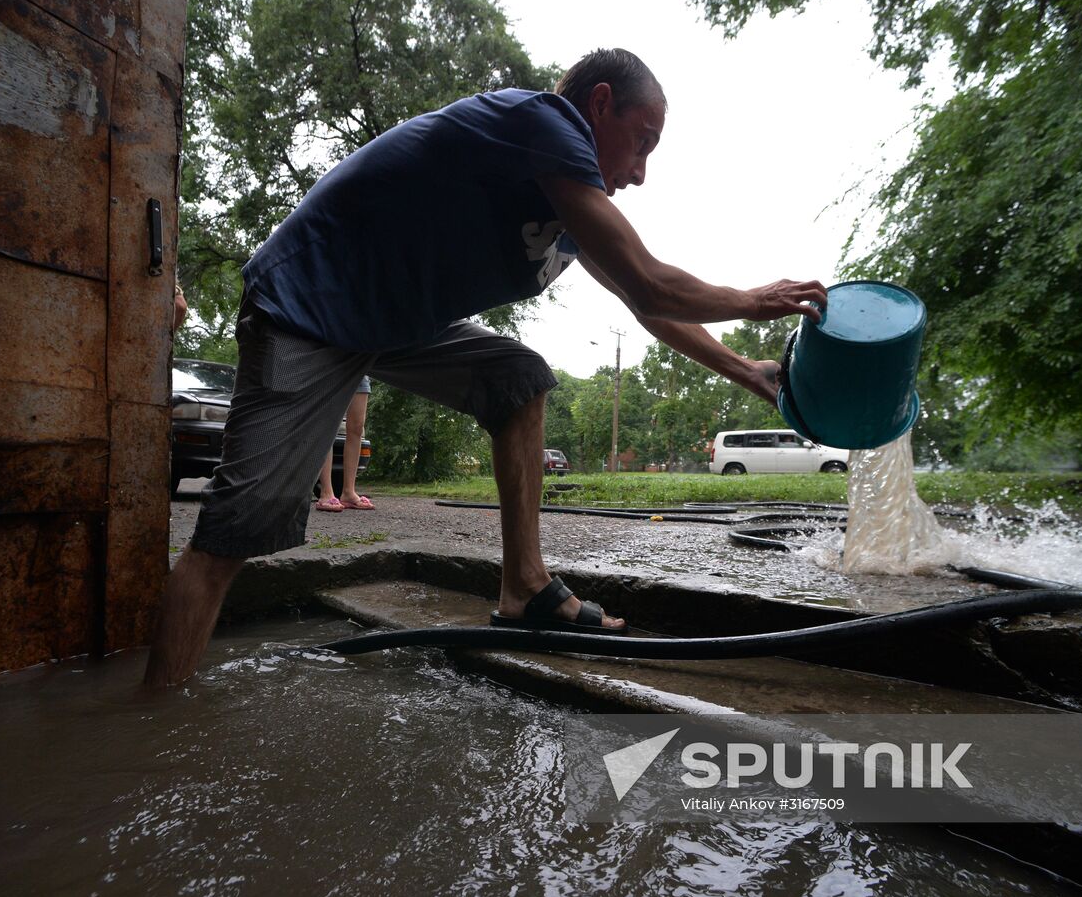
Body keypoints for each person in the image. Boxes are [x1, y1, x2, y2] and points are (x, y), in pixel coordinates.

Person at [145, 48, 825, 687]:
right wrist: (756, 300)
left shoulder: (567, 195)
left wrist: (746, 371)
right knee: (232, 535)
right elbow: (651, 284)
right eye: (642, 140)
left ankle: (523, 586)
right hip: (308, 305)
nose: (641, 172)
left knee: (517, 377)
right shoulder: (546, 123)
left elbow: (647, 307)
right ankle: (152, 723)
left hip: (392, 324)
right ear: (599, 103)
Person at [315, 377, 374, 512]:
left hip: (360, 367)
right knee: (328, 428)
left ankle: (349, 492)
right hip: (331, 367)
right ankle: (326, 493)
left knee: (357, 427)